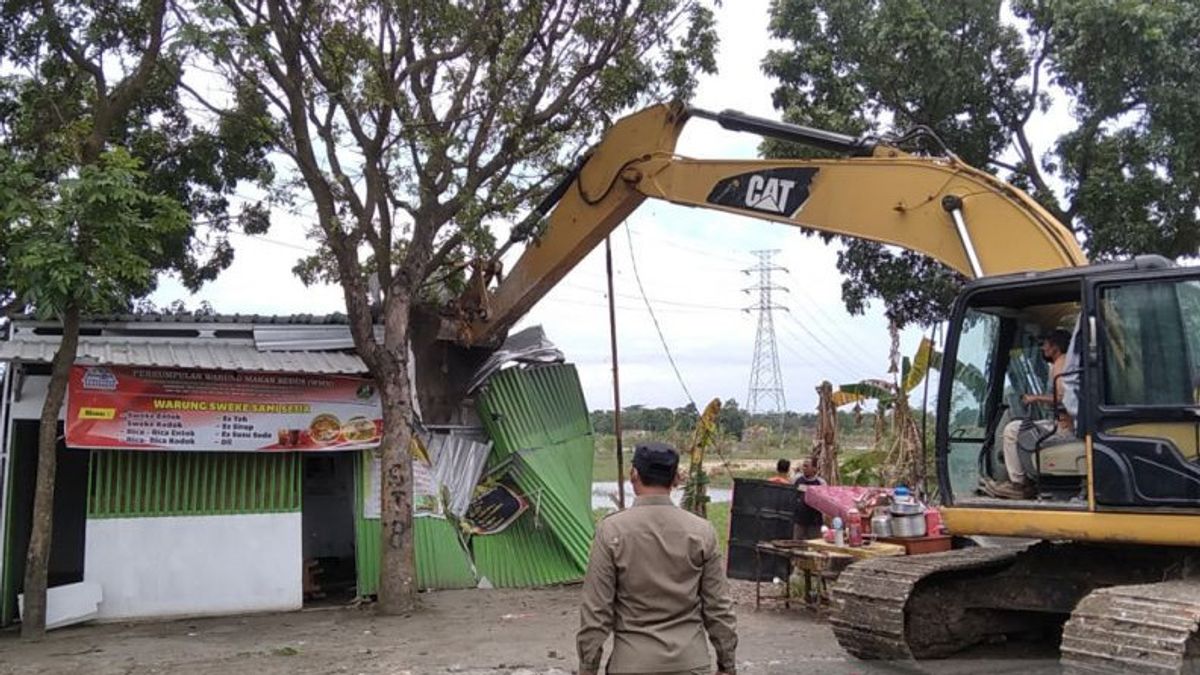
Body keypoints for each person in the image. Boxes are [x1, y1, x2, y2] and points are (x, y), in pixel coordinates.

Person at [578, 442, 738, 675]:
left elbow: (596, 612)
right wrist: (727, 664)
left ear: (633, 475)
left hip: (631, 664)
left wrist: (587, 668)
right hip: (690, 663)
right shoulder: (702, 531)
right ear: (676, 479)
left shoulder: (611, 531)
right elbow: (719, 608)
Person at [987, 329, 1075, 499]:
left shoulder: (1060, 365)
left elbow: (1065, 400)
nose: (1043, 348)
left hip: (1063, 428)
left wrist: (1035, 398)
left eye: (1046, 344)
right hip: (1062, 424)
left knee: (1012, 430)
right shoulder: (1065, 364)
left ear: (1055, 347)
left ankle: (1018, 484)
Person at [792, 458, 825, 540]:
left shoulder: (821, 483)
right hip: (800, 520)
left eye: (806, 466)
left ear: (814, 469)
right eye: (803, 466)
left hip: (815, 521)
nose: (804, 468)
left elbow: (824, 501)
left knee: (815, 545)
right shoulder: (797, 480)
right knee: (796, 545)